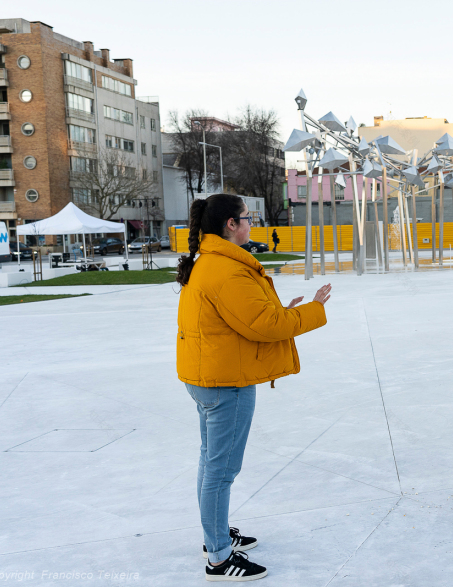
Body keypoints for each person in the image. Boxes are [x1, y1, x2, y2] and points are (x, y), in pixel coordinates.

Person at [176, 194, 332, 581]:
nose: (252, 223)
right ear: (231, 224)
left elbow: (247, 317)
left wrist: (284, 310)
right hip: (225, 381)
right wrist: (310, 310)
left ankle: (215, 534)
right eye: (247, 217)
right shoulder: (225, 269)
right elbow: (264, 326)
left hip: (210, 374)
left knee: (211, 460)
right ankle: (218, 557)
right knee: (221, 468)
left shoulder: (214, 262)